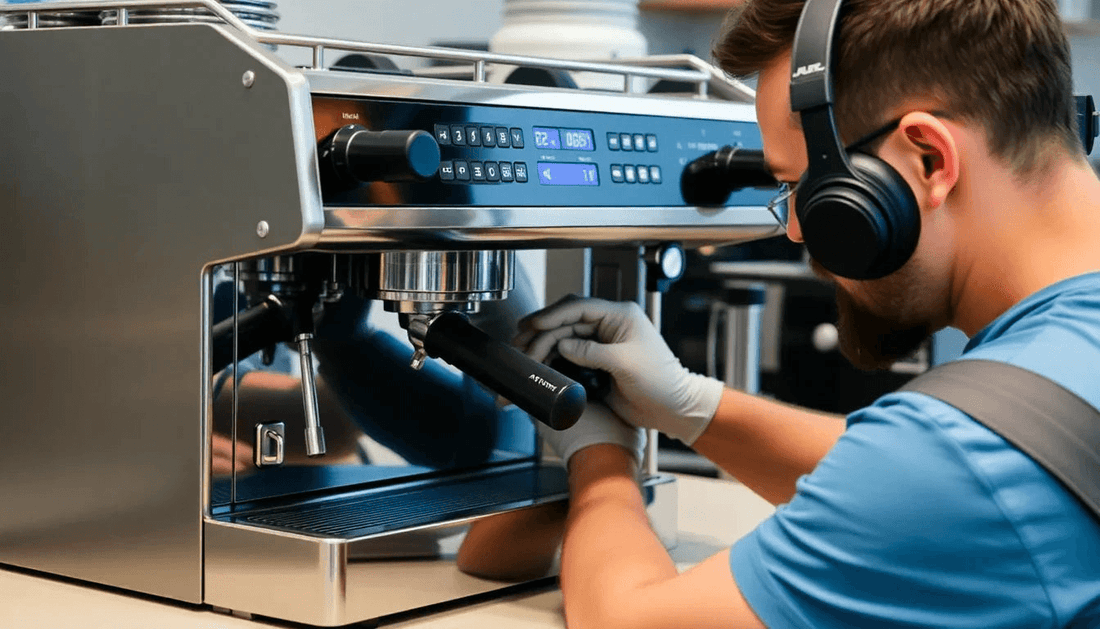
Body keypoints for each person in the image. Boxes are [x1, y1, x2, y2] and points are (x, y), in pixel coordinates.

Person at [513, 0, 1100, 626]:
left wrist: (599, 455)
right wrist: (692, 405)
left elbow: (624, 621)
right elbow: (925, 475)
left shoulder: (959, 463)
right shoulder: (1040, 393)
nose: (795, 230)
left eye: (802, 189)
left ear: (927, 160)